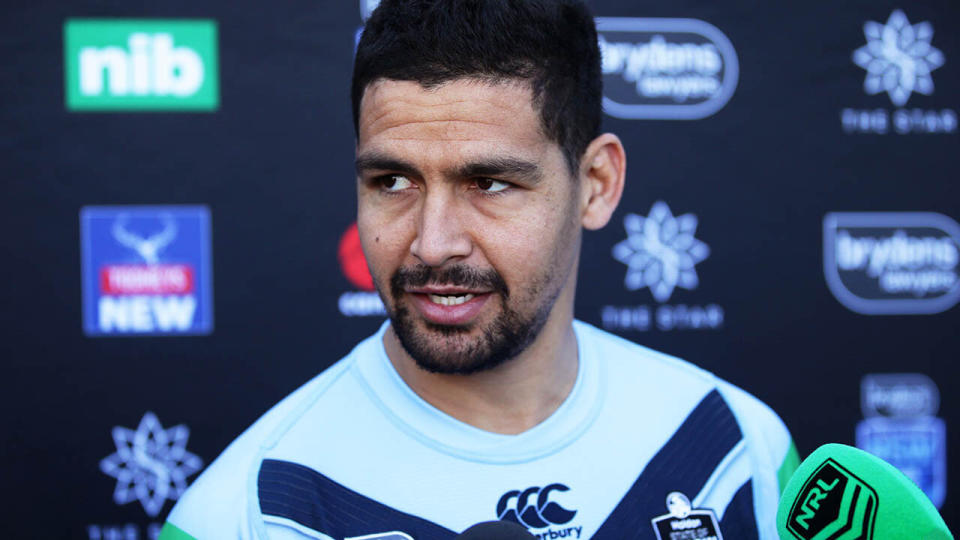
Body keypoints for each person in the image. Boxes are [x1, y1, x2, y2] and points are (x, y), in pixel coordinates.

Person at [159, 1, 799, 538]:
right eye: (392, 180)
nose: (433, 245)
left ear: (596, 185)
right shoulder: (247, 511)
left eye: (489, 183)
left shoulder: (737, 449)